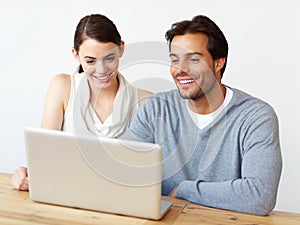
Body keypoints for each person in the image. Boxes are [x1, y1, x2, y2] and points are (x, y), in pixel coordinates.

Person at [126, 15, 282, 215]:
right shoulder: (156, 109)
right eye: (175, 60)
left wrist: (185, 189)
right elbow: (124, 175)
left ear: (218, 63)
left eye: (193, 59)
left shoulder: (256, 117)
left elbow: (260, 196)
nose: (180, 69)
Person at [11, 14, 152, 191]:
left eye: (109, 58)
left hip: (119, 199)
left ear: (121, 49)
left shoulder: (145, 102)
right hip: (66, 193)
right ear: (76, 55)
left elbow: (146, 173)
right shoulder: (63, 87)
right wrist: (26, 174)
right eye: (90, 61)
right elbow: (43, 157)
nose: (101, 70)